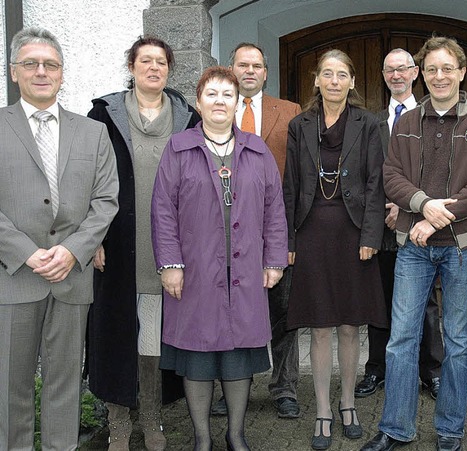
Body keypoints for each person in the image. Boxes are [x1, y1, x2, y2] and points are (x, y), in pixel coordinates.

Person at [360, 36, 467, 451]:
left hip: (464, 246)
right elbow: (392, 177)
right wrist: (425, 208)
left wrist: (441, 216)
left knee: (458, 341)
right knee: (402, 338)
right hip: (414, 245)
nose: (440, 76)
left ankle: (450, 430)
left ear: (462, 72)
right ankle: (396, 428)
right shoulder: (405, 123)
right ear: (423, 75)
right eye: (433, 69)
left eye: (448, 68)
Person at [151, 66, 287, 451]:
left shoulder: (257, 150)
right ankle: (202, 439)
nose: (219, 101)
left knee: (238, 356)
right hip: (194, 271)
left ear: (236, 103)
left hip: (245, 270)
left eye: (227, 95)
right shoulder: (178, 149)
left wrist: (274, 259)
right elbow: (162, 211)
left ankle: (236, 435)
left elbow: (275, 209)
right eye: (211, 94)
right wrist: (170, 265)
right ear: (198, 102)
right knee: (197, 355)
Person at [0, 27, 119, 450]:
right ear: (14, 72)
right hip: (14, 279)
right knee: (10, 390)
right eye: (30, 63)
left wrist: (72, 251)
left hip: (72, 278)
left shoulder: (93, 133)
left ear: (62, 73)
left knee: (65, 386)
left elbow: (106, 201)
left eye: (50, 64)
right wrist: (28, 254)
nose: (41, 72)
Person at [85, 36, 200, 450]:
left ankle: (151, 420)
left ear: (170, 69)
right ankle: (118, 424)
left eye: (161, 62)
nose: (154, 68)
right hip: (115, 245)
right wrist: (91, 239)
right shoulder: (103, 115)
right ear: (131, 67)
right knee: (116, 336)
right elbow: (86, 180)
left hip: (166, 246)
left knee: (153, 339)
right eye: (145, 61)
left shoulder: (188, 118)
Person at [283, 49, 386, 450]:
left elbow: (377, 184)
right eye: (327, 74)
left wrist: (371, 238)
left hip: (353, 234)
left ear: (353, 82)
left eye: (342, 74)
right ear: (317, 81)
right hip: (311, 236)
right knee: (320, 327)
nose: (334, 81)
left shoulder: (369, 124)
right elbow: (290, 186)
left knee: (349, 325)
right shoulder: (299, 125)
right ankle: (323, 409)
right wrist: (288, 242)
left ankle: (348, 405)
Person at [206, 42, 302, 419]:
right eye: (242, 65)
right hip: (224, 230)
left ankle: (285, 387)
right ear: (231, 69)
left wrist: (291, 235)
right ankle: (230, 386)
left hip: (276, 227)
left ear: (266, 73)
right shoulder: (216, 110)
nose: (249, 71)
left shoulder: (290, 112)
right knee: (228, 309)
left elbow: (297, 176)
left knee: (284, 311)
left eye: (256, 66)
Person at [356, 48, 444, 401]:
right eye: (389, 70)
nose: (396, 75)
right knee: (378, 299)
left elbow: (439, 171)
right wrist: (384, 210)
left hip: (421, 223)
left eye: (403, 69)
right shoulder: (371, 122)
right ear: (382, 74)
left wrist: (410, 210)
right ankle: (377, 368)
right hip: (380, 224)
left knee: (426, 303)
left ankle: (431, 371)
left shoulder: (431, 116)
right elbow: (368, 174)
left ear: (415, 73)